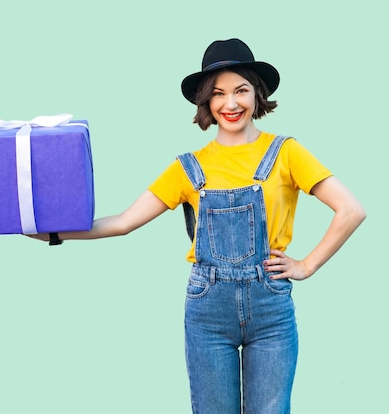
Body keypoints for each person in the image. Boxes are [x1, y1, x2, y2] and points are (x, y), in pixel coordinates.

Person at [30, 38, 366, 414]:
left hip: (271, 308)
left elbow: (350, 209)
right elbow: (123, 222)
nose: (231, 104)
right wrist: (51, 232)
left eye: (241, 91)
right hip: (208, 311)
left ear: (257, 94)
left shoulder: (286, 152)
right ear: (206, 101)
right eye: (218, 94)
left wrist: (307, 265)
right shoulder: (188, 167)